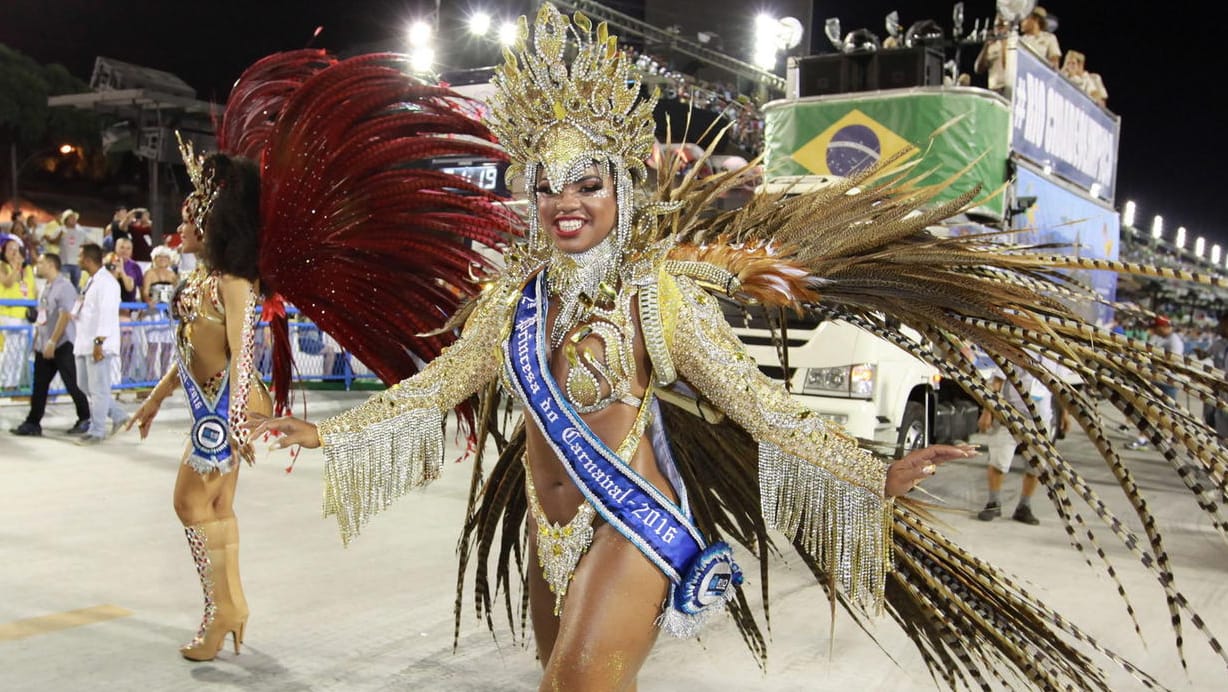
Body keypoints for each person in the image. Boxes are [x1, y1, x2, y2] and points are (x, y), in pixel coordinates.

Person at [247, 12, 977, 689]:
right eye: (546, 186)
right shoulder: (513, 301)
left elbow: (757, 402)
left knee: (580, 679)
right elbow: (438, 387)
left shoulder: (657, 298)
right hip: (547, 527)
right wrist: (328, 433)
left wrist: (865, 473)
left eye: (587, 183)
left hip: (630, 521)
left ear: (623, 190)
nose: (565, 201)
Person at [125, 151, 271, 662]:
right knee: (216, 507)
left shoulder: (233, 282)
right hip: (210, 408)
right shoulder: (199, 280)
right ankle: (233, 607)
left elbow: (244, 351)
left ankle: (220, 611)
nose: (178, 228)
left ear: (212, 224)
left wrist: (233, 422)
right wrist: (155, 398)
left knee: (188, 503)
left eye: (188, 219)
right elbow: (187, 349)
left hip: (227, 410)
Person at [10, 252, 91, 436]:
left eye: (40, 262)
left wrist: (53, 342)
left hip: (62, 344)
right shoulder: (47, 287)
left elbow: (65, 315)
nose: (37, 266)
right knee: (39, 385)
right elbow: (43, 315)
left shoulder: (65, 287)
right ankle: (33, 423)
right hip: (45, 344)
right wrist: (39, 340)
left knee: (73, 384)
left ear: (51, 265)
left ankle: (86, 418)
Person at [975, 366, 1050, 525]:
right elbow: (996, 383)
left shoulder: (1052, 359)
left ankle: (1024, 506)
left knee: (1036, 466)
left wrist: (1063, 414)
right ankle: (993, 503)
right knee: (998, 462)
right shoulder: (1017, 350)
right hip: (1009, 415)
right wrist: (987, 412)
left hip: (1040, 420)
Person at [71, 244, 127, 444]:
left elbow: (107, 313)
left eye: (80, 255)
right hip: (84, 341)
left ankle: (97, 430)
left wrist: (99, 343)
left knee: (99, 389)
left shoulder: (107, 283)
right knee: (84, 385)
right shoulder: (91, 281)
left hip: (98, 343)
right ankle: (119, 415)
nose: (77, 259)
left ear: (87, 259)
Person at [1128, 315, 1185, 450]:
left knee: (1164, 413)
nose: (1154, 330)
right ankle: (1145, 437)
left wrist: (1152, 364)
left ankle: (1165, 437)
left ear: (1164, 327)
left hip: (1167, 383)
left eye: (1156, 327)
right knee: (1149, 410)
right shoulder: (1161, 338)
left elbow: (1172, 363)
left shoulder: (1174, 342)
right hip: (1157, 381)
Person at [0, 235, 36, 390]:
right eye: (10, 249)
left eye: (17, 249)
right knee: (11, 350)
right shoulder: (2, 265)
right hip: (8, 313)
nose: (14, 252)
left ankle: (14, 382)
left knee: (21, 351)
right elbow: (7, 282)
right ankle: (6, 383)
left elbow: (32, 289)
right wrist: (15, 267)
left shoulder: (26, 269)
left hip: (24, 315)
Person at [142, 245, 178, 379]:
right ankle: (150, 377)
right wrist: (149, 300)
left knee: (168, 347)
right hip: (154, 313)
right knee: (153, 346)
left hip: (168, 314)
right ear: (154, 259)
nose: (163, 260)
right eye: (160, 257)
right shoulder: (150, 273)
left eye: (165, 257)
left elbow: (176, 292)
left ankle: (164, 378)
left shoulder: (172, 275)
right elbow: (145, 292)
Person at [973, 14, 1011, 93]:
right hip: (995, 89)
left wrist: (1004, 42)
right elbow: (978, 69)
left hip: (1010, 88)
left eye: (1001, 25)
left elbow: (1008, 67)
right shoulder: (992, 47)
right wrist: (986, 46)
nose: (998, 29)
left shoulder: (1014, 44)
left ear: (1008, 26)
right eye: (996, 26)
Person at [57, 209, 89, 288]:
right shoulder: (60, 229)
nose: (74, 219)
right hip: (64, 262)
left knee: (75, 285)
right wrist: (60, 234)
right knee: (63, 285)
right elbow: (53, 241)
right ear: (66, 220)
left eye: (74, 218)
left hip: (76, 263)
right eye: (71, 218)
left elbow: (87, 242)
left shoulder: (80, 231)